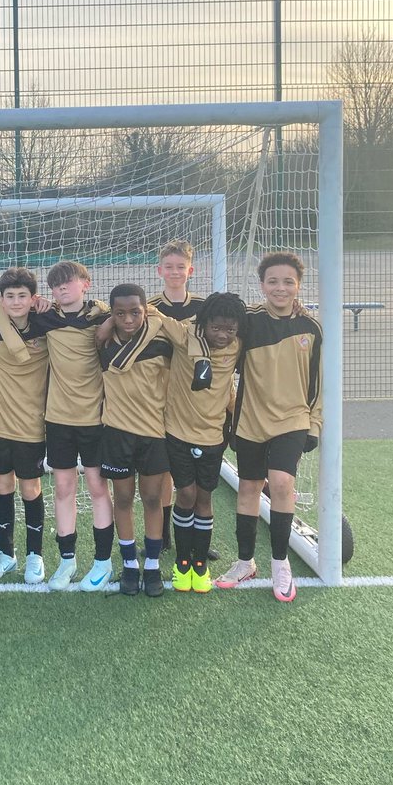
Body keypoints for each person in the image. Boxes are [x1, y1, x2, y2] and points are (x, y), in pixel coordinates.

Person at [215, 252, 322, 603]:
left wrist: (314, 424)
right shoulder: (247, 322)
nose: (281, 287)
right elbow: (220, 355)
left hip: (293, 419)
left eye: (288, 281)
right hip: (251, 420)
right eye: (273, 281)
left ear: (298, 286)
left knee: (281, 483)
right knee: (248, 489)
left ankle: (280, 563)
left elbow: (318, 382)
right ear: (262, 285)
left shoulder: (311, 327)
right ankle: (245, 562)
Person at [25, 261, 113, 591]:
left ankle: (103, 562)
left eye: (68, 283)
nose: (61, 289)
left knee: (97, 487)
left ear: (85, 284)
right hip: (58, 419)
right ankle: (67, 560)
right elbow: (8, 311)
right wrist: (34, 301)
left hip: (94, 419)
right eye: (55, 285)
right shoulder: (46, 318)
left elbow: (139, 313)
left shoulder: (102, 316)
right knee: (63, 488)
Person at [159, 292, 246, 592]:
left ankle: (201, 564)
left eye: (229, 329)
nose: (222, 335)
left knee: (204, 498)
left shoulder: (237, 346)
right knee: (185, 493)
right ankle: (182, 563)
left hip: (213, 436)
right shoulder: (185, 335)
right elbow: (149, 313)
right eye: (215, 328)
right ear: (204, 322)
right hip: (178, 433)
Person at [96, 284, 172, 597]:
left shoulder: (161, 343)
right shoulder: (102, 342)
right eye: (120, 313)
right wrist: (105, 324)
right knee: (124, 500)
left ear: (146, 310)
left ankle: (152, 565)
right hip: (115, 433)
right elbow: (96, 328)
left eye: (135, 312)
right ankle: (129, 564)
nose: (128, 318)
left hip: (154, 435)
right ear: (112, 315)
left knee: (153, 500)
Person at [0, 268, 50, 585]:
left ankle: (35, 555)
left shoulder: (46, 323)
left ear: (33, 299)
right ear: (1, 300)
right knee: (2, 486)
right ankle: (5, 555)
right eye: (10, 296)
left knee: (30, 488)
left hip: (31, 424)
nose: (16, 301)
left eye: (23, 296)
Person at [149, 239, 208, 555]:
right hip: (159, 397)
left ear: (190, 270)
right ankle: (164, 537)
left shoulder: (202, 308)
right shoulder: (148, 307)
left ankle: (198, 537)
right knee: (164, 471)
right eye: (169, 267)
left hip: (195, 400)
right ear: (159, 270)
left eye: (180, 267)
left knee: (195, 474)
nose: (174, 272)